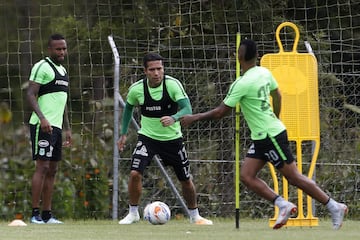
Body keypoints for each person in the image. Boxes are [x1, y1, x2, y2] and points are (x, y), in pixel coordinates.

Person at [180, 39, 348, 230]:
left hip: (270, 136)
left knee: (293, 177)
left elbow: (220, 113)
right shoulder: (264, 72)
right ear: (257, 56)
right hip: (263, 136)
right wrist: (275, 117)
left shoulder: (241, 83)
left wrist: (193, 118)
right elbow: (278, 95)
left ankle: (334, 206)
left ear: (239, 57)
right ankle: (283, 205)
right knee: (247, 175)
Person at [117, 52, 213, 225]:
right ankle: (133, 213)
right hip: (148, 138)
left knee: (185, 179)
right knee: (134, 173)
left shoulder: (173, 85)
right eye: (152, 69)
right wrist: (123, 133)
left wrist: (174, 118)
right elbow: (128, 109)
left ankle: (195, 215)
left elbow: (187, 109)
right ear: (145, 71)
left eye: (159, 69)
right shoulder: (137, 89)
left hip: (172, 140)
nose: (156, 73)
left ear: (163, 69)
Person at [27, 33, 72, 224]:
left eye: (64, 48)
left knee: (53, 169)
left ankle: (47, 215)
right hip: (42, 125)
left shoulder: (63, 71)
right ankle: (34, 214)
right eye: (58, 49)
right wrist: (42, 118)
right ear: (50, 49)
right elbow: (30, 94)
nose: (62, 52)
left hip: (57, 127)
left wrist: (68, 128)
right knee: (42, 166)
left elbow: (63, 102)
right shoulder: (42, 66)